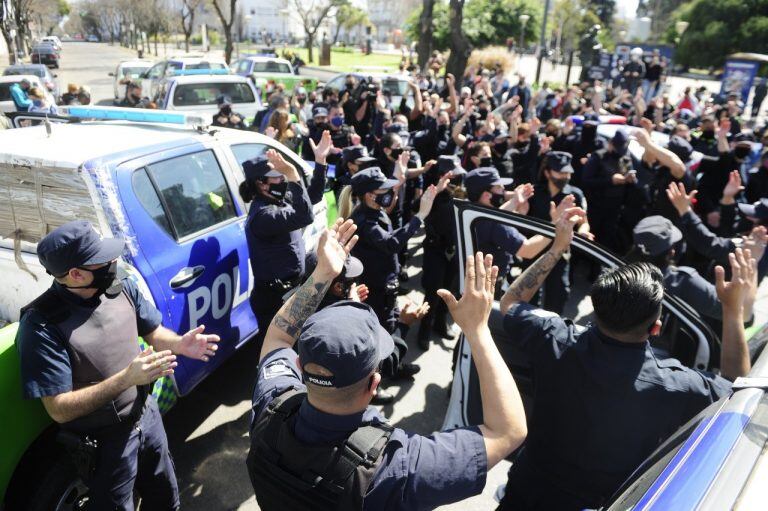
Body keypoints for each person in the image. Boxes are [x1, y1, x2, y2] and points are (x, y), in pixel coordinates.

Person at [247, 219, 527, 510]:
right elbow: (509, 431)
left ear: (298, 363)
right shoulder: (396, 468)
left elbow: (279, 337)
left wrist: (322, 273)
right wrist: (478, 330)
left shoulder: (271, 406)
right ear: (374, 384)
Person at [495, 211, 753, 511]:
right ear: (655, 329)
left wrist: (557, 248)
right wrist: (732, 311)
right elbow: (741, 391)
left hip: (526, 489)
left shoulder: (553, 337)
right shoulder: (677, 386)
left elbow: (510, 302)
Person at [16, 220, 220, 510]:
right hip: (104, 442)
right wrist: (126, 379)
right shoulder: (42, 326)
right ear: (75, 274)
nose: (113, 261)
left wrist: (179, 344)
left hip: (147, 417)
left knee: (165, 499)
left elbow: (152, 332)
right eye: (101, 259)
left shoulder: (120, 286)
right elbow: (58, 408)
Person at [239, 134, 332, 351]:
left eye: (283, 176)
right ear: (260, 184)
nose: (283, 180)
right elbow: (304, 216)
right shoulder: (262, 215)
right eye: (277, 177)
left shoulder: (278, 200)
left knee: (301, 347)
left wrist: (320, 161)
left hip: (293, 290)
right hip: (275, 299)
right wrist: (291, 173)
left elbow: (312, 197)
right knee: (279, 353)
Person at [348, 168, 438, 333]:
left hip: (386, 288)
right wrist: (420, 216)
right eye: (384, 189)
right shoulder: (365, 223)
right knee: (385, 331)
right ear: (370, 195)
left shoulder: (374, 211)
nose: (389, 192)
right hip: (376, 292)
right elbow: (392, 243)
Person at [627, 215, 757, 322]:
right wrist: (753, 262)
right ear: (671, 252)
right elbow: (741, 313)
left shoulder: (621, 273)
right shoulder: (683, 282)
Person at [464, 167, 561, 295]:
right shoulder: (495, 224)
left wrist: (515, 203)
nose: (503, 191)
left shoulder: (469, 210)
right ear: (487, 195)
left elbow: (496, 215)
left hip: (472, 282)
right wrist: (555, 225)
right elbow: (528, 250)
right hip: (490, 287)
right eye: (499, 188)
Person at [527, 151, 591, 314]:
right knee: (528, 296)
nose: (565, 176)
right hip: (534, 252)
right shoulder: (535, 192)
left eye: (568, 173)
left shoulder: (575, 195)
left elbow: (584, 223)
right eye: (560, 172)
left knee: (557, 296)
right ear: (548, 172)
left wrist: (583, 232)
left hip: (560, 253)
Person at [417, 155, 465, 349]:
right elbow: (418, 210)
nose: (456, 182)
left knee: (449, 290)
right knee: (432, 292)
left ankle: (440, 323)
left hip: (454, 249)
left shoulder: (462, 191)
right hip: (435, 249)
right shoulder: (433, 192)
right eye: (452, 178)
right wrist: (437, 191)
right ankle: (424, 330)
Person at [582, 128, 638, 253]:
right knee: (592, 237)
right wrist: (610, 181)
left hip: (615, 207)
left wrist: (630, 180)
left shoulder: (626, 157)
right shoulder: (598, 157)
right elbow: (586, 181)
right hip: (596, 206)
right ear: (611, 144)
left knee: (607, 239)